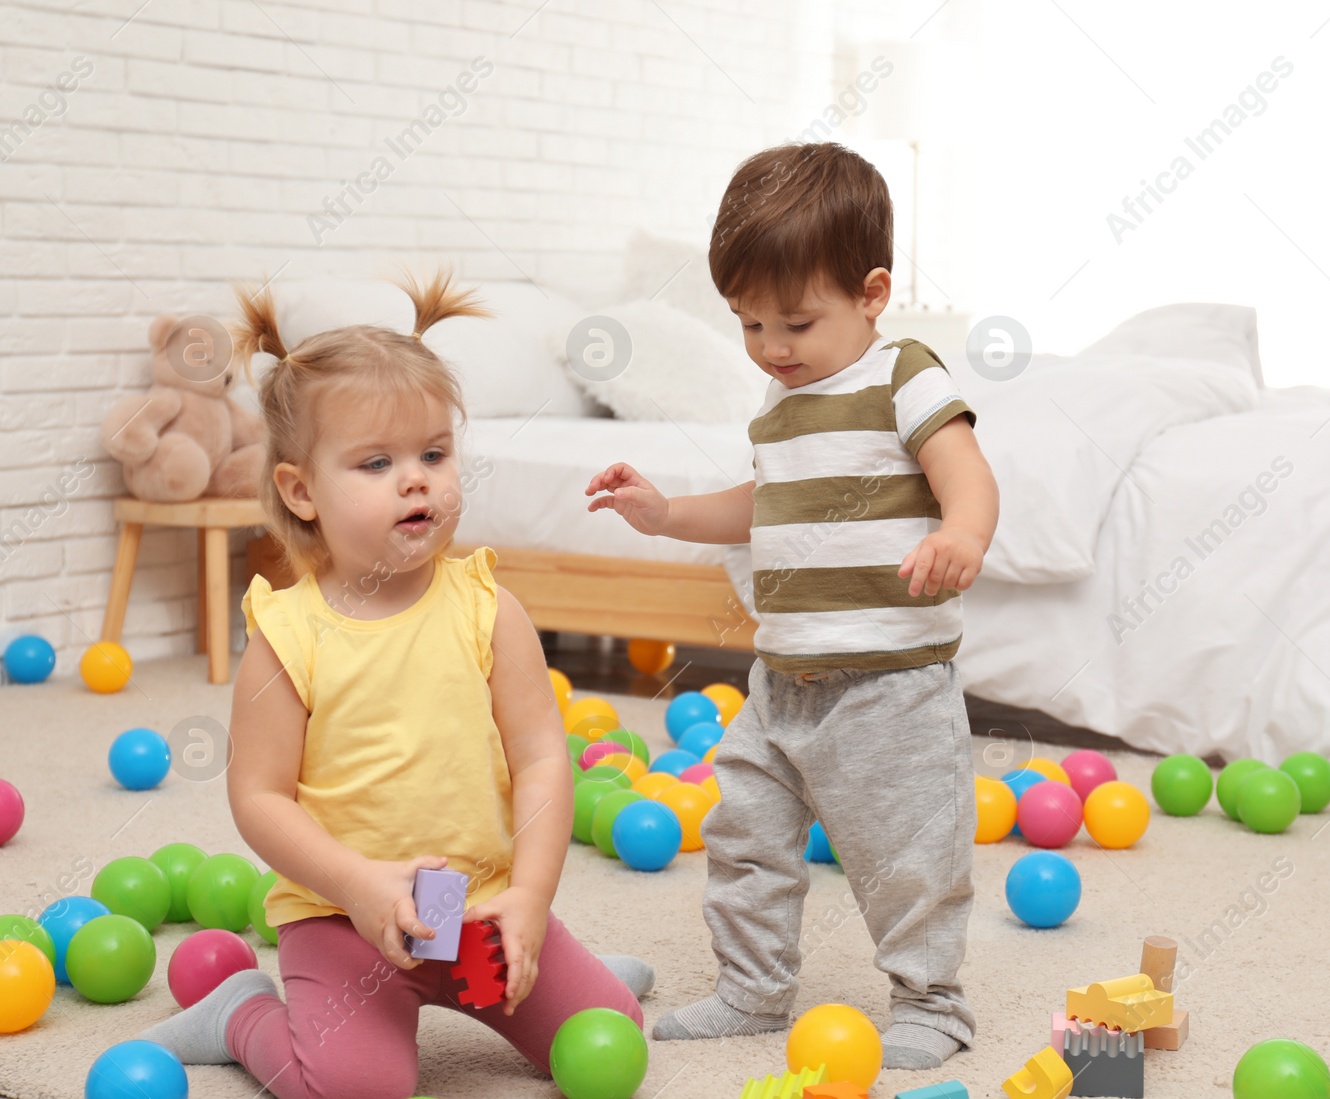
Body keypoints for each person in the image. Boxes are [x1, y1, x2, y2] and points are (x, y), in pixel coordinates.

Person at [139, 270, 650, 1099]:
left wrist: (528, 898)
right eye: (376, 462)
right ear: (301, 490)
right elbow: (259, 798)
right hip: (345, 919)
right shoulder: (287, 635)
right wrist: (358, 885)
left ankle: (563, 957)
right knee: (355, 1087)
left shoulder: (491, 608)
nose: (416, 479)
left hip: (479, 907)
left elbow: (544, 762)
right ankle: (240, 1013)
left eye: (434, 454)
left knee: (612, 1033)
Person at [584, 142, 1000, 1070]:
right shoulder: (780, 403)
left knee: (908, 854)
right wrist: (666, 515)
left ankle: (933, 999)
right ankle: (753, 986)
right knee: (743, 835)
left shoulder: (906, 376)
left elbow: (966, 472)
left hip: (890, 684)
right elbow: (758, 503)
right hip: (783, 679)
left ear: (873, 293)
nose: (773, 347)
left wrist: (963, 535)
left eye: (798, 323)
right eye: (750, 324)